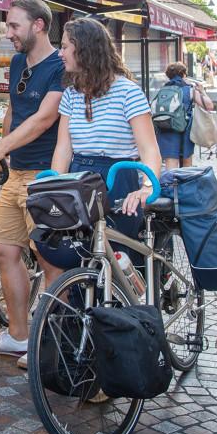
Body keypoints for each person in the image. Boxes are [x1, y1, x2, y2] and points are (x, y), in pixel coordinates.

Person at [0, 0, 65, 363]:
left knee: (49, 258)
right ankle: (19, 335)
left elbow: (46, 118)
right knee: (4, 250)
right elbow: (14, 108)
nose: (8, 33)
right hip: (17, 172)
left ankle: (55, 343)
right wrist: (4, 154)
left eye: (14, 26)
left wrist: (2, 147)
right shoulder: (15, 63)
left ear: (39, 25)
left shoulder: (61, 66)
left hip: (45, 175)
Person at [46, 18, 163, 273]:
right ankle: (82, 310)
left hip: (119, 177)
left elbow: (150, 150)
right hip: (81, 178)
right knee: (79, 256)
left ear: (85, 48)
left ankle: (130, 308)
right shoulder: (70, 95)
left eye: (65, 46)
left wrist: (145, 189)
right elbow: (63, 149)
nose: (60, 52)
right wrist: (54, 184)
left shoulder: (128, 92)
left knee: (117, 260)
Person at [154, 62, 214, 170]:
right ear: (183, 74)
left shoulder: (162, 90)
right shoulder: (189, 90)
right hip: (184, 132)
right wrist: (202, 91)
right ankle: (184, 187)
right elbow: (209, 106)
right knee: (186, 166)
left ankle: (172, 186)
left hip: (165, 129)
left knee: (171, 166)